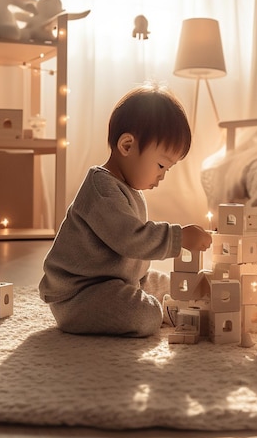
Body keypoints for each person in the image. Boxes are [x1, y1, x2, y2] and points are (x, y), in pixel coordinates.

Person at [39, 82, 212, 336]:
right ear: (127, 146)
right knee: (146, 315)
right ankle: (162, 310)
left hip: (116, 279)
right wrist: (180, 237)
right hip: (80, 293)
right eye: (161, 165)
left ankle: (191, 296)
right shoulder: (101, 187)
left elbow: (135, 258)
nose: (162, 176)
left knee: (167, 284)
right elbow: (131, 239)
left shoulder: (130, 189)